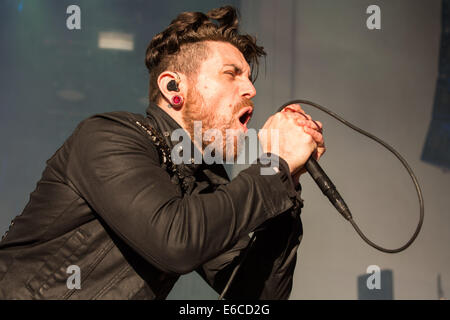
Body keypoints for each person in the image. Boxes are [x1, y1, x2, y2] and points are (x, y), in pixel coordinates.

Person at [0, 6, 325, 300]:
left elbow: (252, 299)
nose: (251, 90)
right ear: (173, 88)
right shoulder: (108, 136)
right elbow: (176, 241)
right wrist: (273, 165)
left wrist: (287, 181)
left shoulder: (203, 180)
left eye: (250, 79)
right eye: (231, 74)